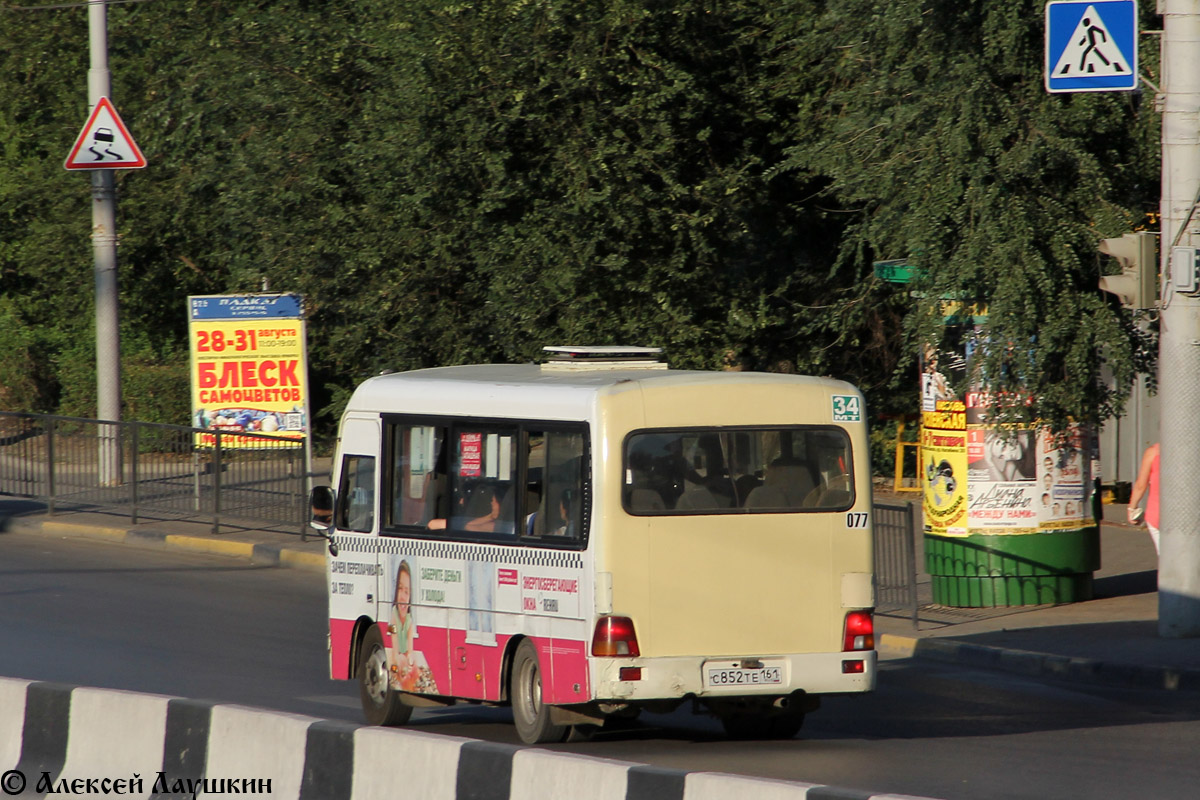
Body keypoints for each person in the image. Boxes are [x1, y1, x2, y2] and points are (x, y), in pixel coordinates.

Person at [1128, 442, 1161, 554]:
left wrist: (1132, 508)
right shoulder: (1193, 451)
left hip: (1157, 513)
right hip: (1189, 515)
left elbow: (1141, 486)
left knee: (1166, 557)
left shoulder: (1153, 452)